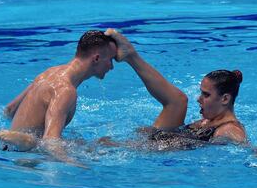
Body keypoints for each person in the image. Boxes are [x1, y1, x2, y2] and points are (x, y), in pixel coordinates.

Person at [102, 28, 246, 150]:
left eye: (206, 95)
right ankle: (131, 55)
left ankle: (131, 55)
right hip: (158, 140)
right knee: (179, 101)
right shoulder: (210, 120)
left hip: (152, 149)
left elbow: (250, 148)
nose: (199, 99)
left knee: (178, 101)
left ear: (225, 99)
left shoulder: (229, 129)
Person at [0, 30, 117, 167]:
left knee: (91, 143)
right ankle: (26, 141)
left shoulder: (49, 73)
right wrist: (77, 164)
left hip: (8, 149)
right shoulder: (65, 91)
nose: (111, 66)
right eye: (110, 59)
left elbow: (9, 110)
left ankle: (22, 138)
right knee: (98, 148)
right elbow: (50, 142)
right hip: (25, 159)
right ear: (97, 58)